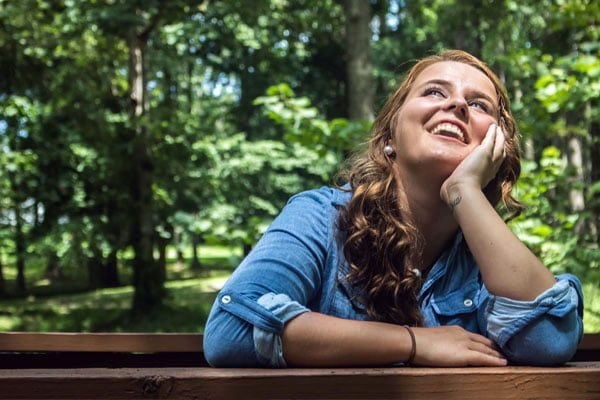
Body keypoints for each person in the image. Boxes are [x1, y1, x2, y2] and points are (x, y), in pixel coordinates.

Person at [203, 49, 583, 368]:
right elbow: (231, 330)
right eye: (434, 92)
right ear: (389, 135)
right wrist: (413, 343)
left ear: (497, 147)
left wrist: (465, 190)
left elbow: (548, 341)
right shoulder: (320, 216)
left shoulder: (489, 260)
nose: (456, 105)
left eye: (478, 104)